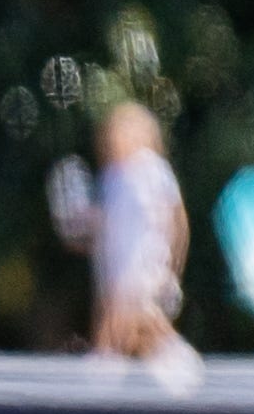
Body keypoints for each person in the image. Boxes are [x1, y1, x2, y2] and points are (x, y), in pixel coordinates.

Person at [79, 102, 194, 360]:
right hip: (116, 259)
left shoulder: (152, 169)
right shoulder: (110, 176)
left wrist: (172, 264)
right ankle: (171, 360)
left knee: (131, 315)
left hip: (145, 258)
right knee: (128, 319)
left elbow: (176, 218)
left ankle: (105, 367)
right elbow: (106, 222)